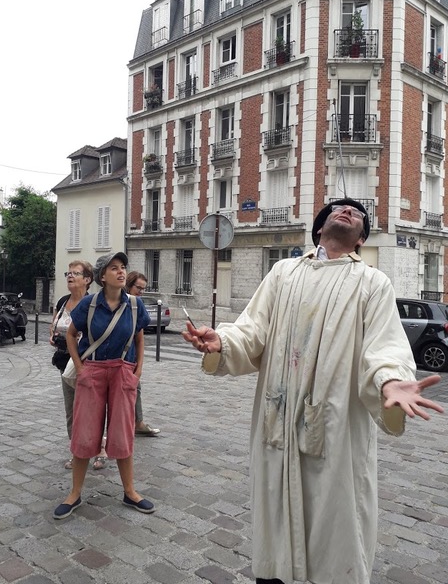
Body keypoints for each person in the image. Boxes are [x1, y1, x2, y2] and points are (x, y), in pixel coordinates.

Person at [182, 198, 444, 584]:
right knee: (274, 518)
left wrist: (390, 380)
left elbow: (384, 346)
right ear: (319, 229)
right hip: (278, 423)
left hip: (336, 431)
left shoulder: (372, 282)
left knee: (336, 520)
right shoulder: (284, 272)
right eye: (337, 208)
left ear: (361, 239)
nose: (347, 211)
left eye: (356, 213)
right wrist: (221, 340)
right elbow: (253, 328)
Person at [53, 252, 155, 519]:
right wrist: (82, 368)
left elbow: (140, 338)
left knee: (122, 431)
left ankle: (130, 491)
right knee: (83, 432)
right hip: (94, 370)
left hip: (122, 370)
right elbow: (72, 335)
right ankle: (74, 493)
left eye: (122, 268)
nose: (121, 272)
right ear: (102, 276)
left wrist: (138, 371)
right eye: (114, 268)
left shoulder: (134, 305)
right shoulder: (89, 304)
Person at [50, 260, 108, 471]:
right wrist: (54, 337)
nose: (70, 276)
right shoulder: (63, 302)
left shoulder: (92, 303)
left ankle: (100, 450)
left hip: (87, 363)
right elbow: (54, 326)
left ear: (87, 279)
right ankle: (77, 452)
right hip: (65, 363)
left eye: (75, 273)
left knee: (92, 410)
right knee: (71, 411)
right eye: (68, 273)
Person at [125, 270, 161, 437]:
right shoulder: (119, 303)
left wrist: (140, 365)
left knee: (135, 389)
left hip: (130, 358)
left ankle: (137, 422)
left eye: (143, 289)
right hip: (112, 360)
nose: (140, 292)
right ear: (128, 285)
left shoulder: (136, 306)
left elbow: (140, 339)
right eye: (138, 287)